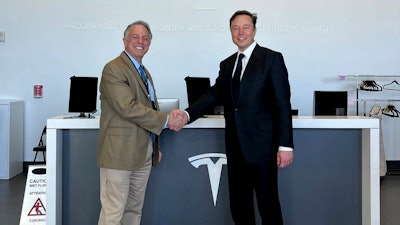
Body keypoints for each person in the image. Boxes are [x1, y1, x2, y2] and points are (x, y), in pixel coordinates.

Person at [173, 10, 294, 225]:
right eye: (235, 28)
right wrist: (187, 114)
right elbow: (213, 94)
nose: (241, 32)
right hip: (236, 148)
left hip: (263, 148)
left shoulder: (272, 59)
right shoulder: (227, 64)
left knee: (268, 207)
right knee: (239, 207)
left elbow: (282, 104)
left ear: (254, 30)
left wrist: (285, 145)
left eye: (245, 27)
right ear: (230, 32)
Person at [97, 20, 184, 225]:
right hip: (119, 154)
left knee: (133, 212)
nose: (141, 41)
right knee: (113, 213)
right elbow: (128, 107)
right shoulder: (113, 69)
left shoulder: (144, 72)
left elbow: (148, 109)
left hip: (142, 153)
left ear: (149, 44)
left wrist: (154, 146)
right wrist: (166, 120)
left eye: (145, 38)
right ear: (125, 41)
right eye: (135, 37)